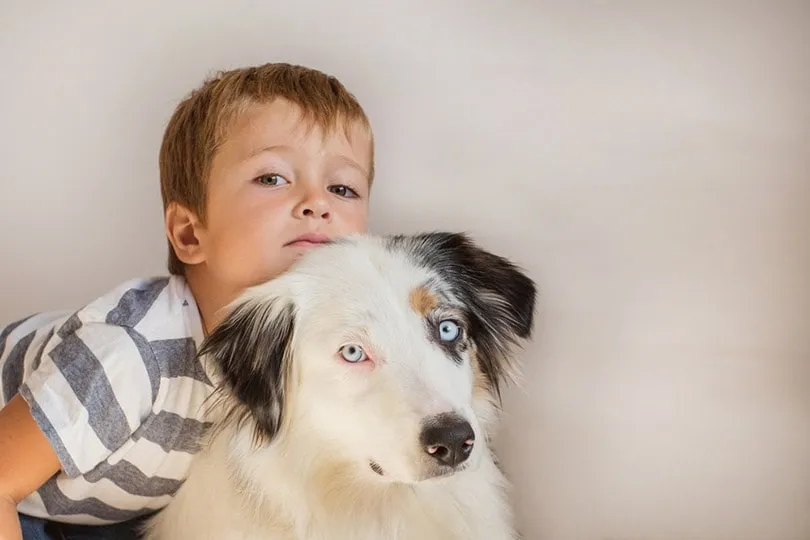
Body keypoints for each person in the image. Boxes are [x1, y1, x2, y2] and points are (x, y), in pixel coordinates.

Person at [0, 62, 375, 540]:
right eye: (273, 178)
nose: (318, 203)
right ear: (189, 233)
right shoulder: (133, 355)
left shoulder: (330, 355)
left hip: (113, 500)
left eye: (342, 188)